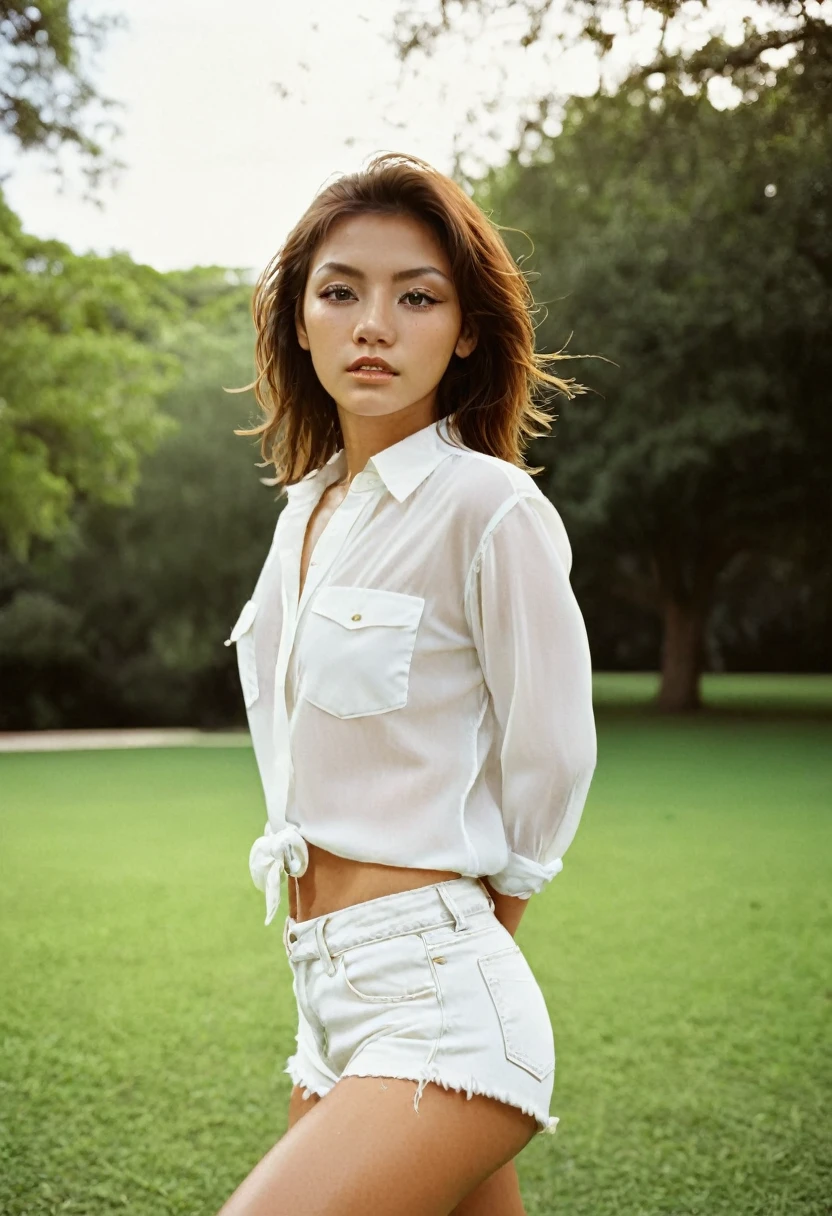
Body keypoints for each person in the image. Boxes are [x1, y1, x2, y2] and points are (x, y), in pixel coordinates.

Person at [217, 151, 597, 1216]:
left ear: (464, 327)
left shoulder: (488, 507)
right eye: (339, 291)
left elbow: (554, 747)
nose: (371, 323)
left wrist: (470, 927)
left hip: (436, 993)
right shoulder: (305, 514)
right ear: (298, 318)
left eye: (415, 296)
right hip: (322, 1000)